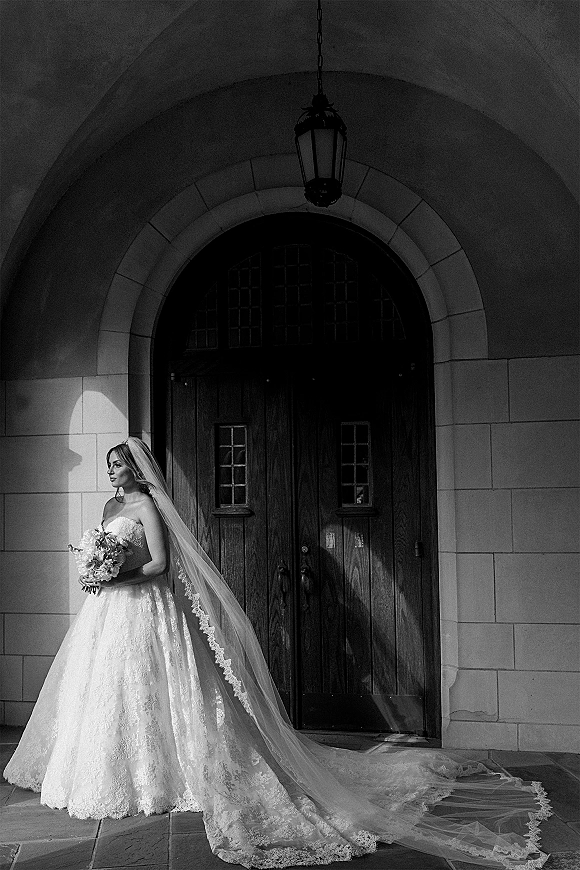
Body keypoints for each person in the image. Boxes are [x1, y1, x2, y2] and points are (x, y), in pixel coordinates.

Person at [4, 437, 552, 869]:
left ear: (136, 469)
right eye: (108, 466)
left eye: (118, 465)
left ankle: (168, 774)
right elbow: (109, 552)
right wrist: (97, 571)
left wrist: (117, 575)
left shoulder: (147, 505)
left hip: (144, 605)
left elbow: (161, 565)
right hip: (107, 614)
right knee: (107, 690)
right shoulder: (108, 506)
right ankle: (112, 771)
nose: (112, 472)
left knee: (155, 686)